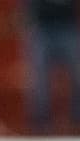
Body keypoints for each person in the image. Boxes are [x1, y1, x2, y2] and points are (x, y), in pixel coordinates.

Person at [21, 0, 80, 133]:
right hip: (42, 28)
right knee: (39, 78)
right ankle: (40, 123)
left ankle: (77, 118)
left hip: (68, 26)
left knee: (77, 74)